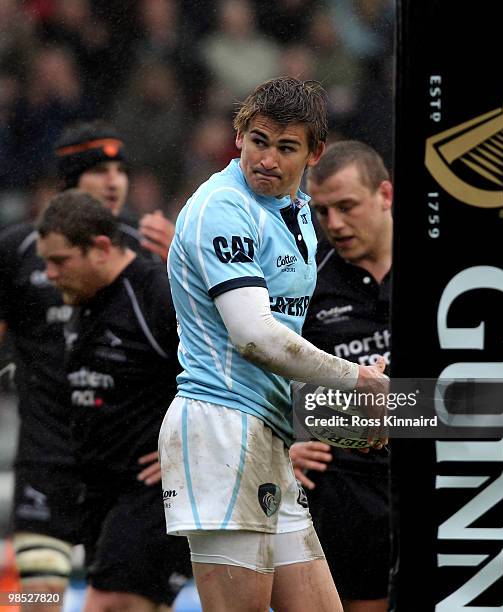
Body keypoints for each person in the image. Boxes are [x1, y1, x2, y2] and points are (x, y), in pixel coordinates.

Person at [159, 77, 388, 612]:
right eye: (259, 140)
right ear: (238, 135)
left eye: (286, 148)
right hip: (218, 430)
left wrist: (350, 416)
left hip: (268, 432)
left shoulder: (299, 212)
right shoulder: (221, 207)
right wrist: (361, 381)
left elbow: (287, 345)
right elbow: (256, 337)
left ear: (314, 152)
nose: (268, 159)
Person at [0, 120, 177, 611]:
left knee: (130, 593)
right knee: (39, 593)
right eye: (100, 170)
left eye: (121, 169)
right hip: (49, 453)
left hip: (128, 462)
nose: (115, 181)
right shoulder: (17, 250)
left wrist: (183, 256)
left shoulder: (145, 252)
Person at [36, 190, 190, 611]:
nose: (49, 273)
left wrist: (192, 445)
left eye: (60, 261)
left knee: (107, 603)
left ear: (101, 249)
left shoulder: (155, 293)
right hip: (101, 491)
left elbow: (223, 369)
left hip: (150, 492)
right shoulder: (82, 297)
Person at [290, 140, 393, 612]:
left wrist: (324, 411)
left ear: (385, 195)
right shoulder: (307, 283)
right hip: (346, 490)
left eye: (346, 207)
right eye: (322, 211)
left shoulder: (454, 276)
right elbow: (275, 382)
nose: (334, 224)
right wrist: (287, 438)